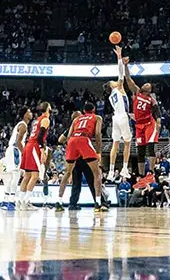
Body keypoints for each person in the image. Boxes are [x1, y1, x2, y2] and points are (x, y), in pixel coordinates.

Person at [118, 49, 161, 179]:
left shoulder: (151, 99)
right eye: (146, 83)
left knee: (150, 148)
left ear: (150, 90)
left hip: (149, 124)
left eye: (149, 84)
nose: (146, 84)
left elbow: (157, 111)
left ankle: (151, 172)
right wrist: (125, 65)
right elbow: (128, 79)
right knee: (140, 151)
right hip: (139, 125)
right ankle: (142, 175)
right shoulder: (136, 92)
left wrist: (158, 122)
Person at [63, 103, 108, 210]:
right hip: (84, 150)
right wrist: (98, 151)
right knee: (93, 177)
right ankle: (99, 202)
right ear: (93, 109)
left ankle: (72, 204)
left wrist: (70, 148)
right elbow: (97, 134)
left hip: (74, 150)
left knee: (76, 180)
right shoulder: (95, 118)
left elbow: (62, 139)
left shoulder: (75, 124)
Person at [18, 103, 53, 208]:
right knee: (35, 176)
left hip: (29, 145)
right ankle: (26, 202)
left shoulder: (37, 120)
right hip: (35, 146)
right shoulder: (45, 119)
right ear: (48, 109)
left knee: (27, 176)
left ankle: (20, 201)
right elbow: (40, 136)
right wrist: (42, 151)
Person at [106, 50, 133, 183]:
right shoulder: (118, 89)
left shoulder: (111, 96)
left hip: (115, 117)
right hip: (122, 117)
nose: (115, 82)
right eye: (113, 82)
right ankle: (124, 168)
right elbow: (120, 73)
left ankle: (111, 171)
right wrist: (119, 57)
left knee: (115, 144)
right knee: (127, 143)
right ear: (112, 86)